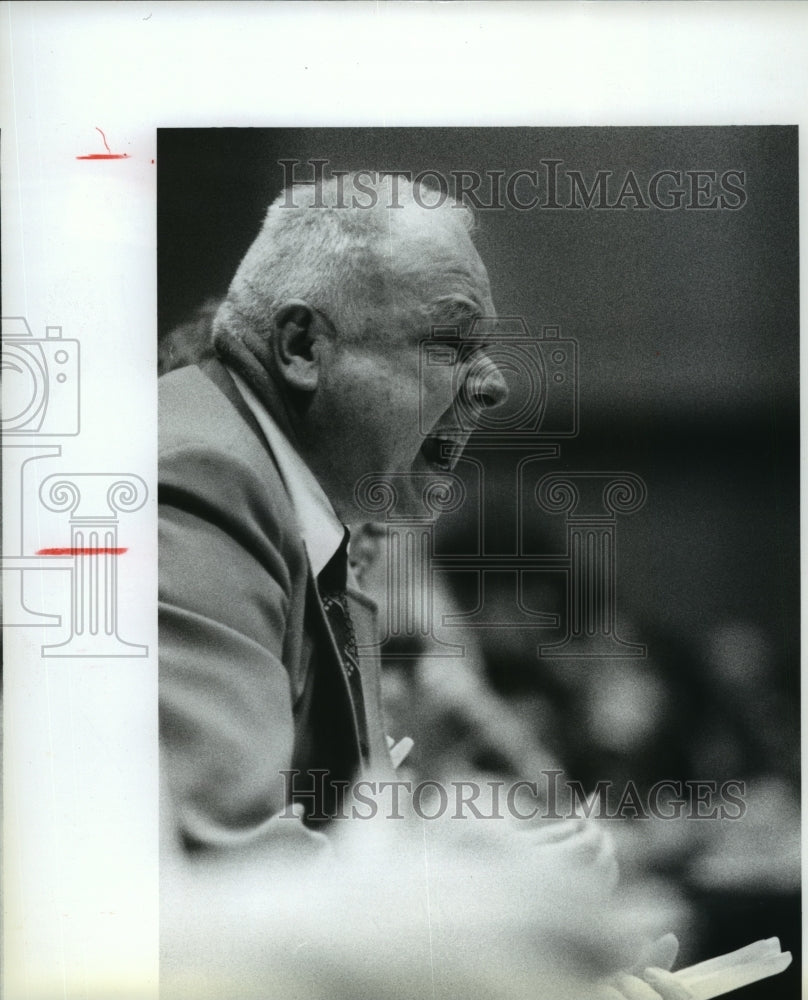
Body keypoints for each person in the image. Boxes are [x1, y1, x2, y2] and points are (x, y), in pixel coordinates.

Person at [159, 174, 693, 1000]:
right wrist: (497, 922)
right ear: (301, 347)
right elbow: (231, 869)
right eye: (450, 343)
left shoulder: (312, 517)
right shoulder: (200, 476)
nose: (492, 384)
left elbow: (352, 831)